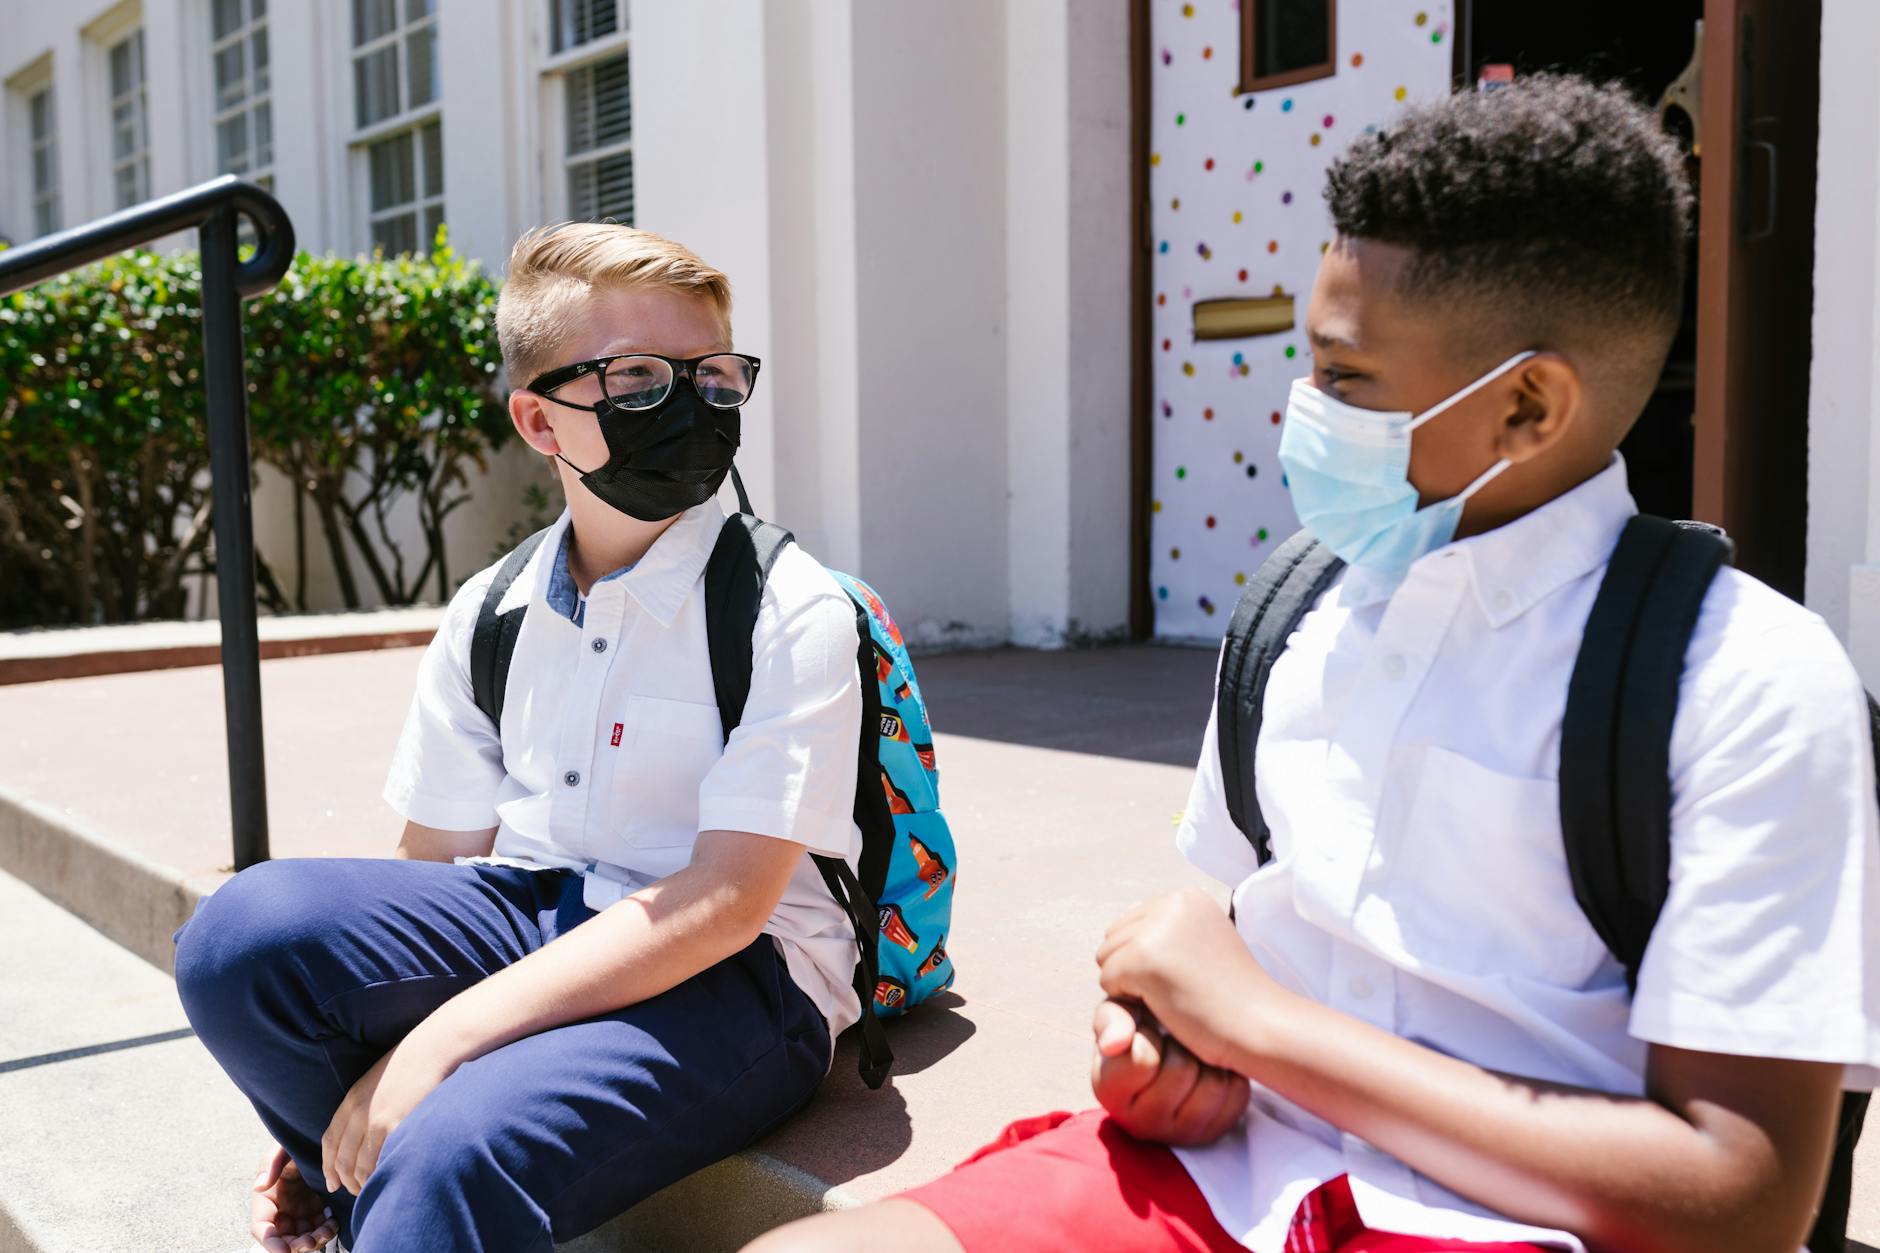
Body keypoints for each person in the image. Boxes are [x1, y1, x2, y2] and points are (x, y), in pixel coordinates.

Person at [746, 74, 1880, 1253]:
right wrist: (1164, 1045)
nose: (1302, 411)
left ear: (1529, 405)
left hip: (1519, 1226)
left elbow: (1737, 1198)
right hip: (1231, 1167)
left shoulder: (1740, 679)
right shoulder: (1297, 607)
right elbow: (1223, 940)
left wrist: (1255, 1026)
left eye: (1345, 380)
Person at [174, 222, 867, 1253]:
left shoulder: (788, 603)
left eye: (713, 381)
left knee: (456, 1144)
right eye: (635, 381)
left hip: (747, 976)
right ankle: (369, 1184)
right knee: (240, 934)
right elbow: (433, 866)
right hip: (542, 911)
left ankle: (391, 1195)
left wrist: (442, 1040)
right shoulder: (491, 609)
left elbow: (725, 903)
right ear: (539, 421)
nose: (686, 408)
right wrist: (381, 1058)